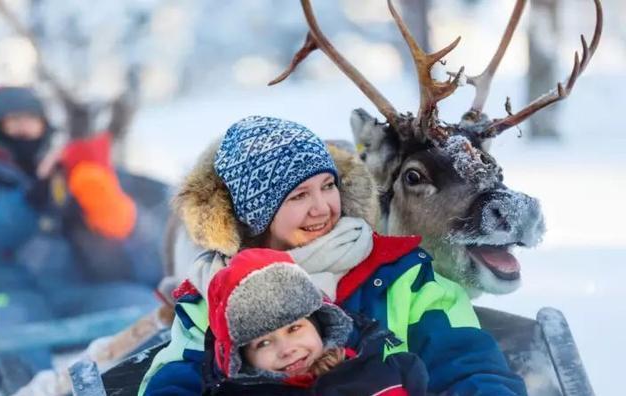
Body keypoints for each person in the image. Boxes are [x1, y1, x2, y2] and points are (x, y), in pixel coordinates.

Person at [140, 115, 527, 395]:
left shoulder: (403, 277)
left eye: (327, 186)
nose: (322, 207)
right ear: (255, 216)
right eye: (298, 196)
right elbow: (174, 379)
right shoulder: (213, 297)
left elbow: (469, 365)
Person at [0, 86, 162, 392]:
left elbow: (136, 231)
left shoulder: (61, 169)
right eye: (13, 121)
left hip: (73, 291)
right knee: (15, 350)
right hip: (9, 297)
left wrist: (96, 203)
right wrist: (27, 203)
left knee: (146, 311)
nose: (24, 129)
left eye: (31, 120)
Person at [203, 247, 428, 395]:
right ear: (242, 360)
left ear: (319, 325)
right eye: (263, 343)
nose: (287, 349)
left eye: (294, 328)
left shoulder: (379, 369)